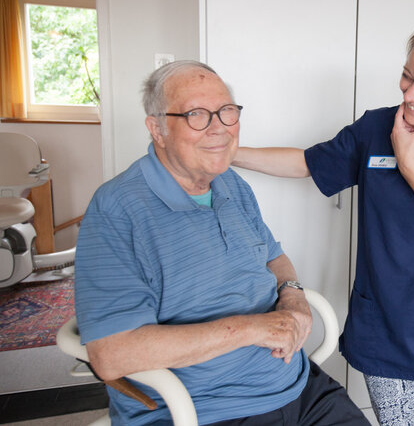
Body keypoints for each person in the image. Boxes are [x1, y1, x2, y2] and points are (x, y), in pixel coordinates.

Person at [233, 12, 414, 425]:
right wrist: (228, 153)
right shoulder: (375, 127)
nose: (410, 94)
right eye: (407, 76)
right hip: (383, 325)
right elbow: (307, 162)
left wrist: (408, 164)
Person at [74, 60, 369, 426]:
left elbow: (274, 257)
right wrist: (252, 329)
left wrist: (293, 297)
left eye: (227, 111)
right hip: (205, 409)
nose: (219, 128)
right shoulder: (117, 209)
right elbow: (111, 355)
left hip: (296, 385)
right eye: (196, 114)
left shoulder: (230, 183)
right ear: (157, 129)